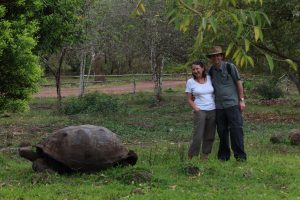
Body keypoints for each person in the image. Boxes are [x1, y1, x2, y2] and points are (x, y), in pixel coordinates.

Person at [207, 46, 247, 161]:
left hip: (233, 104)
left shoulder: (230, 67)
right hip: (218, 107)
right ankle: (223, 157)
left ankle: (240, 156)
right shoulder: (210, 71)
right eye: (213, 56)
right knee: (222, 132)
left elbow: (239, 83)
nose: (216, 58)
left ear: (222, 56)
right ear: (211, 58)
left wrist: (242, 100)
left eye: (218, 55)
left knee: (236, 130)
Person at [185, 60, 216, 160]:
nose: (195, 71)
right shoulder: (190, 82)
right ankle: (191, 157)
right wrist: (196, 108)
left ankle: (205, 156)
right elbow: (189, 99)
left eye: (197, 68)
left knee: (209, 135)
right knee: (198, 135)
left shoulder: (210, 78)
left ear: (203, 68)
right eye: (193, 69)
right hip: (200, 111)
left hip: (212, 110)